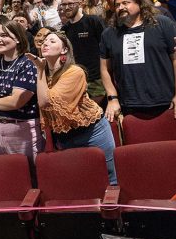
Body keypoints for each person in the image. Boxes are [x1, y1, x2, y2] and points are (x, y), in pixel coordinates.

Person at [29, 31, 117, 183]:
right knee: (80, 179)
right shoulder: (43, 75)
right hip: (64, 136)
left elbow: (45, 102)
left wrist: (40, 70)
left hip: (92, 132)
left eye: (52, 41)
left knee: (109, 177)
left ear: (64, 50)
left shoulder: (75, 72)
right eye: (44, 41)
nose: (45, 43)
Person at [99, 0, 176, 121]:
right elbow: (105, 69)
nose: (121, 7)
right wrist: (112, 98)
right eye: (117, 5)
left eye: (126, 3)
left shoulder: (162, 23)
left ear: (140, 4)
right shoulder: (109, 33)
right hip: (130, 105)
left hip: (168, 101)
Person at [0, 20, 45, 160]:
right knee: (5, 175)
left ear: (18, 39)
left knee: (29, 174)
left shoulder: (27, 63)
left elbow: (15, 101)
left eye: (4, 35)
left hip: (21, 130)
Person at [58, 0, 107, 99]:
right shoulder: (64, 29)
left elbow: (107, 47)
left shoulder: (93, 21)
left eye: (70, 4)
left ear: (79, 3)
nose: (66, 7)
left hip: (97, 78)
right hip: (77, 79)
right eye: (63, 4)